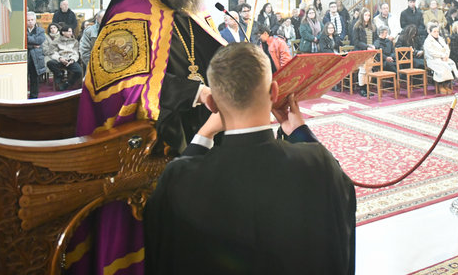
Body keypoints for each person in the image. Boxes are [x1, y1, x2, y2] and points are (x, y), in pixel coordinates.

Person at [73, 0, 226, 275]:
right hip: (153, 152)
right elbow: (118, 87)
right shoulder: (131, 14)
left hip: (202, 143)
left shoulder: (189, 5)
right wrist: (196, 92)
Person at [144, 43, 356, 275]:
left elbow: (161, 250)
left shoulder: (179, 179)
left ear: (212, 103)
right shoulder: (318, 165)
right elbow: (342, 199)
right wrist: (300, 132)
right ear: (274, 92)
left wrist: (204, 134)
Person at [46, 24, 82, 91]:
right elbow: (52, 53)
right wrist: (60, 58)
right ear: (63, 32)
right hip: (60, 59)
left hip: (70, 60)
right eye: (69, 31)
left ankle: (67, 83)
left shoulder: (75, 41)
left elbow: (76, 52)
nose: (70, 33)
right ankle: (59, 74)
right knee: (50, 63)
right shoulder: (56, 41)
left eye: (71, 31)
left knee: (79, 71)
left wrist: (72, 60)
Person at [424, 22, 456, 95]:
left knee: (451, 65)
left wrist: (446, 55)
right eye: (434, 31)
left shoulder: (441, 39)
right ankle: (440, 85)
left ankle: (446, 85)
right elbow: (431, 52)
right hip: (432, 60)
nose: (436, 33)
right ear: (430, 32)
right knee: (442, 67)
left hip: (444, 58)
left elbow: (447, 48)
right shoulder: (428, 41)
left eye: (437, 31)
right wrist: (442, 56)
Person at [351, 8, 377, 96]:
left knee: (369, 70)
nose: (367, 17)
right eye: (366, 15)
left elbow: (376, 38)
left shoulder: (372, 26)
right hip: (361, 51)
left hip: (370, 51)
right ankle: (362, 88)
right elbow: (356, 41)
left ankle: (367, 88)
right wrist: (366, 47)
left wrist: (374, 45)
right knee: (363, 70)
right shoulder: (357, 26)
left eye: (369, 15)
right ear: (362, 16)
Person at [25, 11, 47, 99]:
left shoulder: (40, 30)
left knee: (34, 78)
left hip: (36, 58)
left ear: (35, 20)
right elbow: (23, 41)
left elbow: (39, 41)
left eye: (32, 20)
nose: (30, 22)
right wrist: (33, 45)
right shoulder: (22, 30)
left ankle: (34, 96)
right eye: (28, 20)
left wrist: (28, 41)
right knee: (23, 77)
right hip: (25, 57)